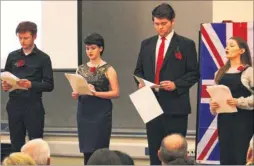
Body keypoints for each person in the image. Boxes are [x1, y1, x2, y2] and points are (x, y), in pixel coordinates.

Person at [133, 3, 199, 164]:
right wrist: (140, 83)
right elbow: (138, 71)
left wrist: (176, 84)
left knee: (175, 154)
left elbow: (194, 73)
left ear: (173, 22)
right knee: (155, 150)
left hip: (175, 106)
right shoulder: (146, 44)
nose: (160, 28)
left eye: (164, 24)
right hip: (151, 105)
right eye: (156, 24)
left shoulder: (185, 44)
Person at [1, 21, 54, 152]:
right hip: (14, 104)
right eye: (20, 38)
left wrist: (31, 85)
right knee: (16, 144)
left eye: (26, 38)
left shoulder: (43, 58)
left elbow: (49, 85)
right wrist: (5, 85)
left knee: (36, 144)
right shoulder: (12, 56)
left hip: (33, 106)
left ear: (34, 36)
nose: (22, 41)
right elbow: (6, 75)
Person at [72, 33, 120, 165]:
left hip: (101, 112)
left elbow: (116, 93)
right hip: (84, 112)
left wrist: (95, 93)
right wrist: (76, 94)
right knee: (86, 150)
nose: (89, 51)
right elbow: (77, 89)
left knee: (100, 151)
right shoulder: (80, 69)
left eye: (93, 48)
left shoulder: (108, 69)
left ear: (101, 48)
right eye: (87, 48)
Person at [210, 36, 254, 165]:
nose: (227, 48)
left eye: (232, 45)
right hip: (224, 121)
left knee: (240, 155)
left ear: (242, 51)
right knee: (226, 155)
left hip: (243, 121)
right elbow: (215, 96)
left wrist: (239, 102)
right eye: (226, 45)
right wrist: (213, 106)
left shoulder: (249, 71)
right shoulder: (220, 72)